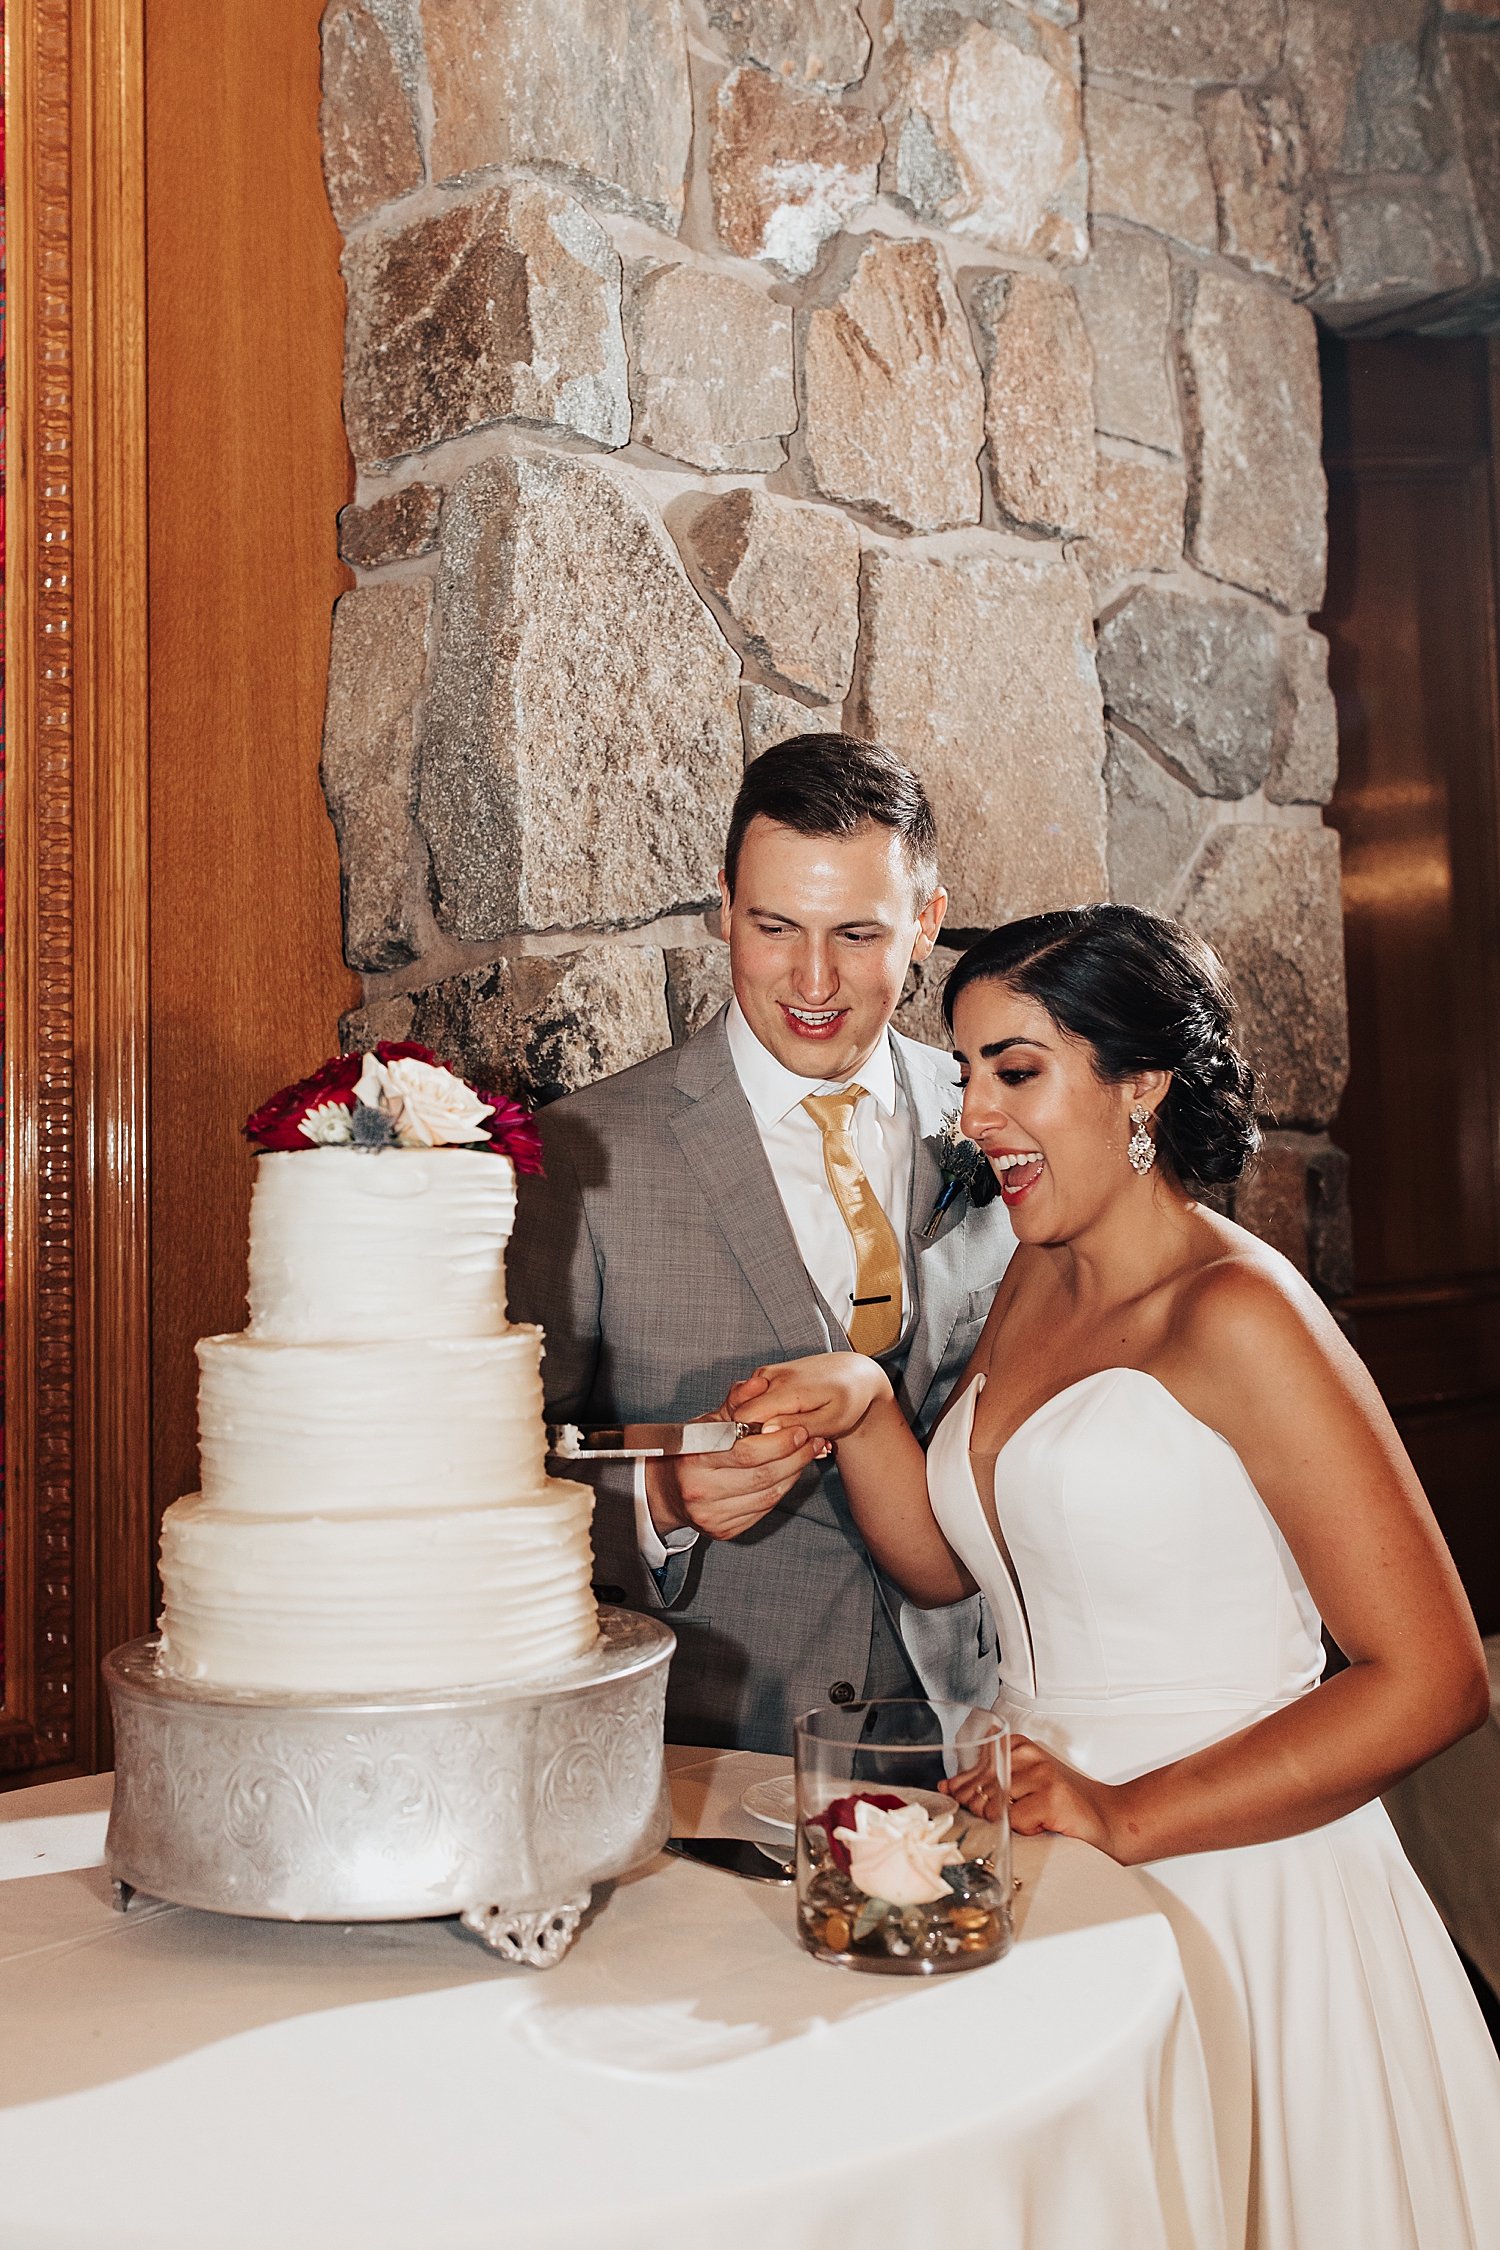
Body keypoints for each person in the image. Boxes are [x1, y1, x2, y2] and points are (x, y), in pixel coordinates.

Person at [735, 904, 1500, 2249]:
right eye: (965, 1069)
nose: (973, 1111)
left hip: (1239, 1875)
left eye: (1014, 1069)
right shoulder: (1036, 1277)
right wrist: (865, 1408)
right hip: (1039, 1858)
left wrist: (1127, 1811)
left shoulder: (1241, 1315)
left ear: (1139, 1083)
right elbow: (946, 1569)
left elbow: (1437, 1679)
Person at [507, 736, 1016, 1752]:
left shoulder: (1006, 1117)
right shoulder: (582, 1153)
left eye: (859, 934)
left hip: (982, 1737)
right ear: (724, 912)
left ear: (927, 926)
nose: (814, 978)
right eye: (775, 926)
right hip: (711, 1745)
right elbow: (489, 1469)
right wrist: (654, 1498)